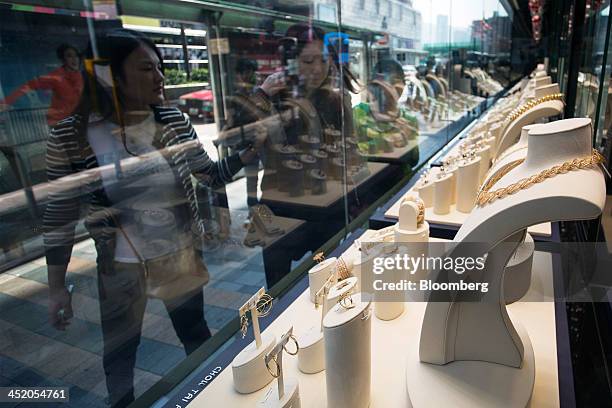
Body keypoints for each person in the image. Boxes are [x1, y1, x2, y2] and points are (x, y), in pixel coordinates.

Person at [43, 29, 264, 408]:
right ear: (109, 76)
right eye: (147, 68)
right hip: (120, 267)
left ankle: (212, 397)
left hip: (178, 255)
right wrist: (56, 286)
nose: (160, 77)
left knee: (195, 333)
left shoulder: (172, 121)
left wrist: (243, 157)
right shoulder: (71, 135)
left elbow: (208, 175)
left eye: (160, 67)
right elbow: (59, 215)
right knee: (120, 351)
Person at [353, 59, 420, 164]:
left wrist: (407, 140)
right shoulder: (357, 114)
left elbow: (414, 161)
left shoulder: (409, 119)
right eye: (384, 84)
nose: (390, 90)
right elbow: (350, 153)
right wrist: (385, 141)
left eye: (395, 82)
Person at [0, 44, 83, 125]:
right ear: (62, 60)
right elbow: (28, 86)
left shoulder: (81, 76)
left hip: (80, 121)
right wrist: (7, 101)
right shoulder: (56, 77)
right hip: (59, 123)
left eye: (76, 56)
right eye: (69, 56)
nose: (74, 59)